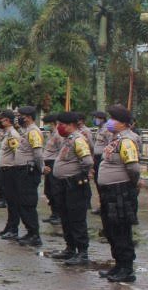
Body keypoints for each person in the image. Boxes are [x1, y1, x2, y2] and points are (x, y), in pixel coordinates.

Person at [95, 104, 141, 282]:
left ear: (123, 123)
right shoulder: (116, 139)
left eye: (113, 119)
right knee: (111, 229)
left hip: (120, 190)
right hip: (110, 191)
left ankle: (127, 268)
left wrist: (132, 185)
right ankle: (118, 264)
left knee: (121, 229)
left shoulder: (127, 141)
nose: (110, 122)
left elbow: (133, 168)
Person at [50, 111, 93, 265]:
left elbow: (87, 161)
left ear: (70, 125)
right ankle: (70, 248)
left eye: (61, 125)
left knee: (77, 219)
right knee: (66, 218)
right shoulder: (68, 140)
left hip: (75, 185)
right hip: (64, 185)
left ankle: (82, 252)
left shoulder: (79, 140)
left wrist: (77, 173)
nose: (58, 127)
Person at [15, 106, 45, 246]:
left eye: (22, 115)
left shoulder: (33, 132)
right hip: (22, 171)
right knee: (22, 202)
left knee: (28, 203)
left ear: (29, 117)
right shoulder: (27, 131)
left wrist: (42, 168)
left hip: (29, 171)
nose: (19, 118)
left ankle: (34, 234)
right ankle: (30, 231)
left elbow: (38, 154)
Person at [0, 109, 25, 241]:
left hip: (11, 171)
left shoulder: (12, 135)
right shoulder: (7, 134)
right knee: (9, 200)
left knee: (13, 201)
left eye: (2, 119)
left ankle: (13, 229)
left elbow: (16, 153)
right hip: (5, 171)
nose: (0, 121)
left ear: (7, 120)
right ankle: (9, 226)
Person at [41, 114, 64, 225]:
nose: (45, 126)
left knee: (55, 191)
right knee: (48, 191)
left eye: (46, 123)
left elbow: (61, 151)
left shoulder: (58, 135)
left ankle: (59, 214)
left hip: (54, 163)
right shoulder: (51, 134)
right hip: (48, 163)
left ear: (52, 123)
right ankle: (53, 213)